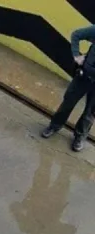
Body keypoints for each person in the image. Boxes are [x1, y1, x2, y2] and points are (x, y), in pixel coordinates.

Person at [42, 24, 95, 152]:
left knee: (90, 113)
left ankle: (80, 136)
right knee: (68, 102)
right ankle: (54, 126)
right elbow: (76, 34)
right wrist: (76, 56)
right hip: (83, 77)